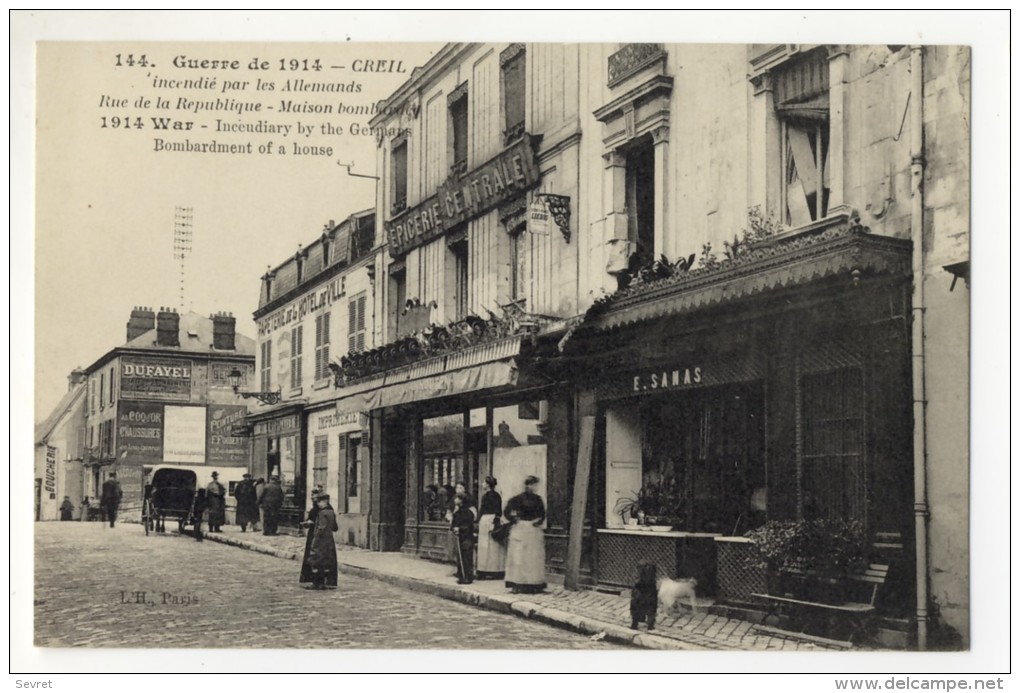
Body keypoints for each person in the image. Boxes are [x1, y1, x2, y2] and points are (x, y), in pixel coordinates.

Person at [504, 475, 547, 594]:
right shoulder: (517, 499)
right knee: (519, 557)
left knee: (533, 557)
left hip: (533, 530)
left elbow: (542, 514)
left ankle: (534, 584)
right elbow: (507, 511)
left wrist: (538, 521)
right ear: (527, 485)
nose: (534, 487)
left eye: (535, 485)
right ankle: (517, 583)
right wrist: (514, 519)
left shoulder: (538, 499)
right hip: (520, 528)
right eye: (532, 484)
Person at [304, 493, 339, 589]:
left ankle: (316, 583)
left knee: (316, 561)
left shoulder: (322, 513)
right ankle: (323, 583)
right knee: (325, 561)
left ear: (325, 501)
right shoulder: (331, 512)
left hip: (321, 540)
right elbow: (335, 528)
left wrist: (315, 540)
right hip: (329, 540)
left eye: (320, 502)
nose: (318, 504)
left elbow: (321, 528)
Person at [476, 476, 506, 580]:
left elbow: (483, 510)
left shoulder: (487, 496)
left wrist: (478, 520)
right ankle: (494, 570)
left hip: (487, 521)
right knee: (492, 548)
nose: (482, 484)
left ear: (488, 484)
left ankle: (486, 570)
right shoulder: (496, 495)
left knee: (487, 547)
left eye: (484, 482)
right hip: (491, 520)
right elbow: (499, 511)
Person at [299, 486, 326, 585]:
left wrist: (310, 523)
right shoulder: (315, 508)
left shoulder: (322, 509)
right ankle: (311, 578)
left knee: (316, 556)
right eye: (312, 495)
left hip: (318, 535)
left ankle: (318, 581)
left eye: (314, 495)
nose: (312, 497)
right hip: (312, 534)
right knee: (311, 556)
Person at [450, 493, 475, 585]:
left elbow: (469, 526)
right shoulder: (457, 513)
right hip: (460, 537)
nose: (455, 500)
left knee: (466, 556)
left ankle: (468, 576)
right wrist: (454, 528)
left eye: (457, 498)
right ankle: (461, 575)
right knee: (460, 556)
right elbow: (453, 524)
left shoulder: (468, 513)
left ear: (461, 501)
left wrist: (459, 529)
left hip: (467, 537)